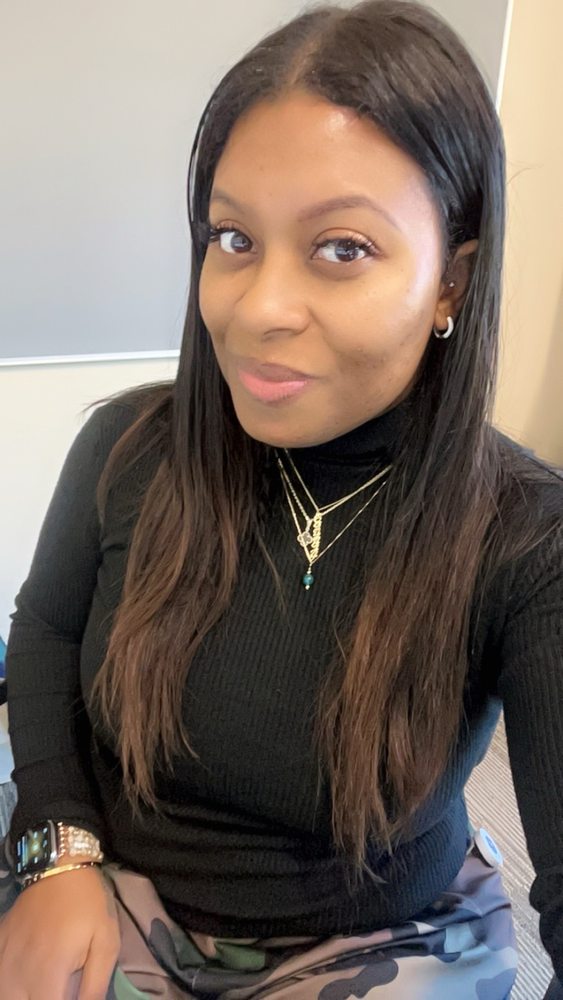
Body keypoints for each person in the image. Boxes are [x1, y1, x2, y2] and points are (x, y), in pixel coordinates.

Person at [1, 0, 562, 996]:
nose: (257, 308)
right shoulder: (126, 448)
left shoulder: (525, 537)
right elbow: (43, 633)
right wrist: (58, 850)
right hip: (105, 877)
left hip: (384, 936)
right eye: (232, 238)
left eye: (341, 248)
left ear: (451, 282)